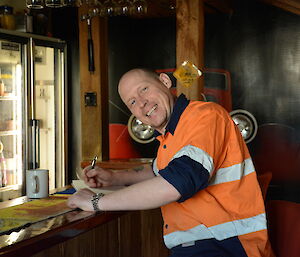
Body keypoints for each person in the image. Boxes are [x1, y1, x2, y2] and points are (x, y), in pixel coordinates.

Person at [67, 68, 274, 257]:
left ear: (165, 81)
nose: (141, 103)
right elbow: (158, 171)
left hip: (228, 246)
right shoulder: (172, 134)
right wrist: (113, 177)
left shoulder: (205, 117)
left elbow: (177, 182)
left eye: (144, 89)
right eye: (132, 102)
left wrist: (95, 202)